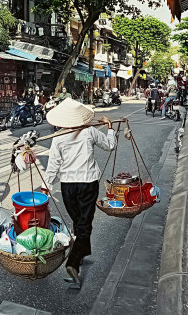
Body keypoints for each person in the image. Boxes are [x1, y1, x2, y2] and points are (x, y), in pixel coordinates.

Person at [43, 98, 117, 288]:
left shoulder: (58, 137)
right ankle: (73, 264)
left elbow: (53, 165)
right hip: (87, 183)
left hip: (67, 187)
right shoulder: (89, 131)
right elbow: (110, 146)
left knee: (79, 222)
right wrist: (110, 128)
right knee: (84, 224)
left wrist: (47, 184)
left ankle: (82, 254)